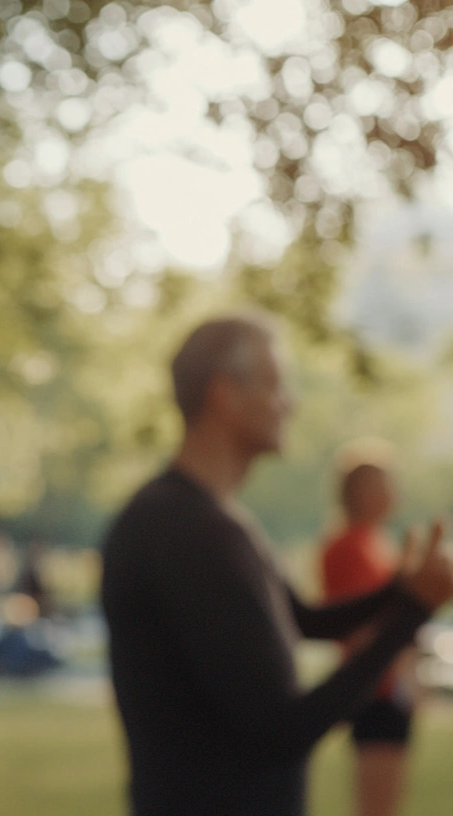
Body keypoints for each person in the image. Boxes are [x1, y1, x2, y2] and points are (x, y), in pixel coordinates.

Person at [100, 314, 453, 816]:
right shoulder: (187, 531)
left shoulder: (217, 519)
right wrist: (414, 610)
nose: (291, 402)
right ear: (224, 395)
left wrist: (398, 590)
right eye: (275, 384)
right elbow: (281, 731)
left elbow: (303, 619)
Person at [321, 455, 417, 816]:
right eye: (384, 482)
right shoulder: (348, 547)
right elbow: (360, 629)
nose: (394, 492)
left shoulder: (377, 544)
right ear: (360, 492)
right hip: (375, 691)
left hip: (391, 689)